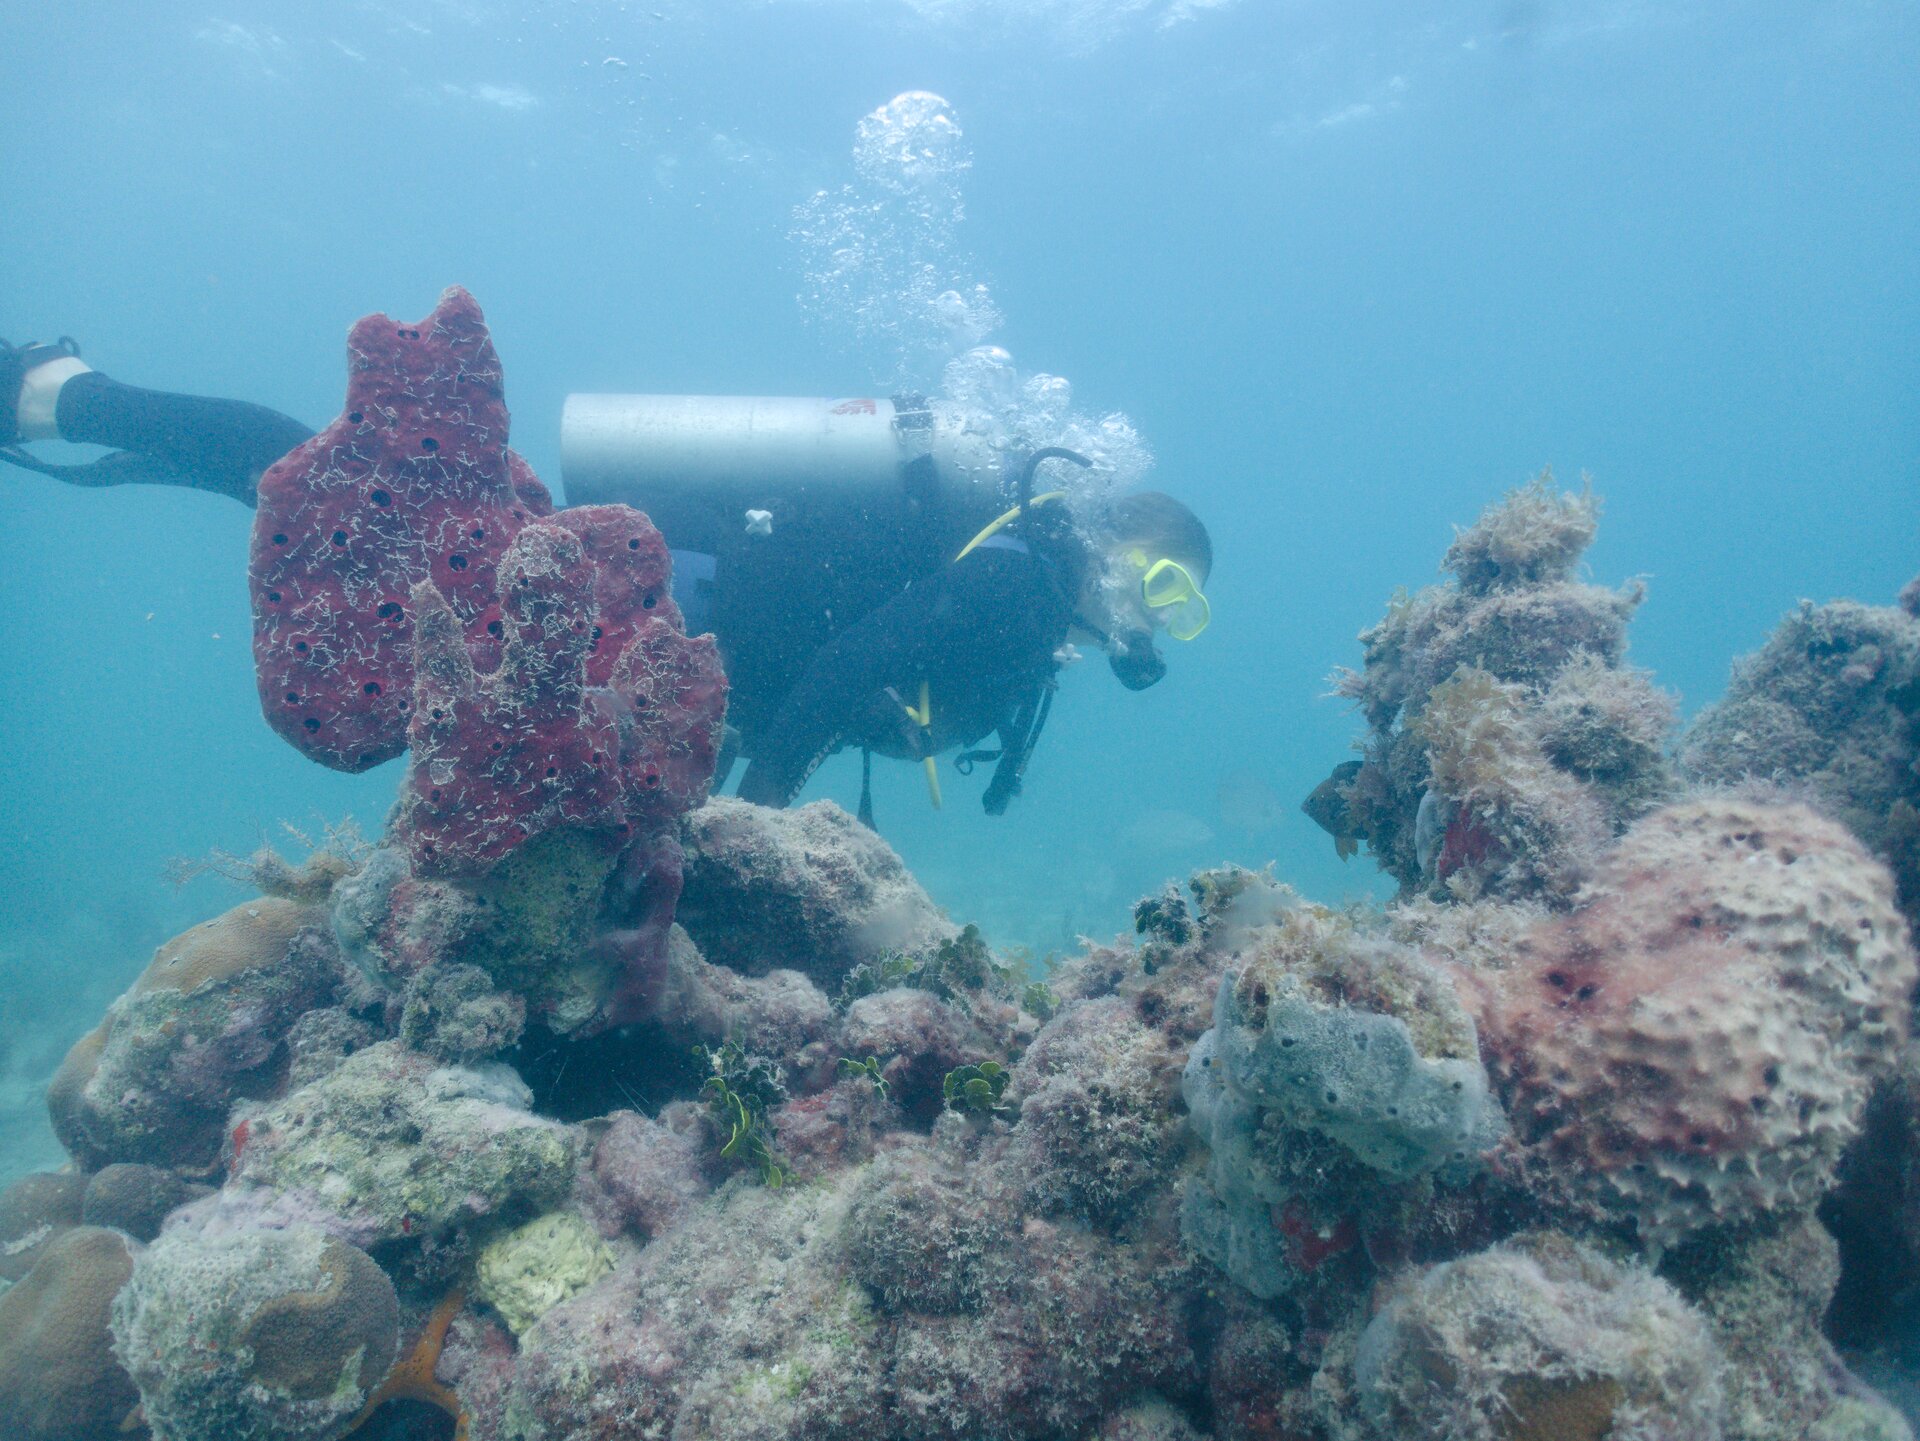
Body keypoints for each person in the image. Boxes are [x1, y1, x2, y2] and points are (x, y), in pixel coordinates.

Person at [1, 337, 1213, 820]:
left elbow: (847, 669)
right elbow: (847, 664)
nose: (1152, 620)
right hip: (661, 592)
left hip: (677, 596)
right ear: (1107, 534)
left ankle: (68, 398)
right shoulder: (1014, 584)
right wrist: (757, 816)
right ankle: (67, 394)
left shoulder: (1023, 601)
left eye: (1180, 612)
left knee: (373, 503)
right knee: (367, 496)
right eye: (1159, 581)